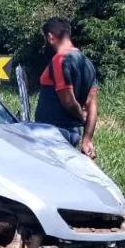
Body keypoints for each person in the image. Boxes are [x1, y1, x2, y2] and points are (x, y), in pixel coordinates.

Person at [33, 17, 99, 159]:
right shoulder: (87, 63)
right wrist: (87, 140)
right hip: (73, 134)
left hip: (53, 134)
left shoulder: (60, 60)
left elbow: (68, 101)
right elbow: (92, 106)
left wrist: (81, 117)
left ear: (50, 36)